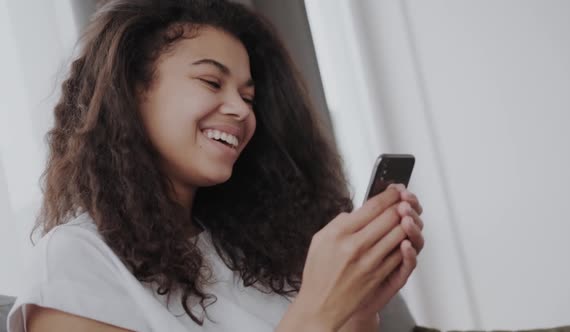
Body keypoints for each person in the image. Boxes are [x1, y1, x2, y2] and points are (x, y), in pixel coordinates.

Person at [7, 0, 425, 331]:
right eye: (211, 81)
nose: (240, 110)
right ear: (131, 92)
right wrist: (319, 309)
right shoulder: (75, 260)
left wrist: (360, 309)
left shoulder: (248, 252)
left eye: (248, 96)